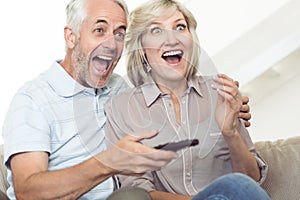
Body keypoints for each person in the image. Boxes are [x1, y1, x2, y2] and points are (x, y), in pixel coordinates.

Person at [2, 0, 251, 199]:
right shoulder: (33, 99)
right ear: (71, 37)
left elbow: (167, 94)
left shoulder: (120, 89)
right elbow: (28, 192)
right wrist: (106, 163)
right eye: (99, 30)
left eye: (120, 33)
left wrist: (234, 116)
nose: (111, 44)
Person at [105, 0, 269, 199]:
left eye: (180, 27)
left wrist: (230, 132)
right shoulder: (122, 108)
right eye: (156, 31)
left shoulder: (220, 91)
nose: (172, 39)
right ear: (141, 49)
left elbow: (251, 182)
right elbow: (139, 192)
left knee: (236, 184)